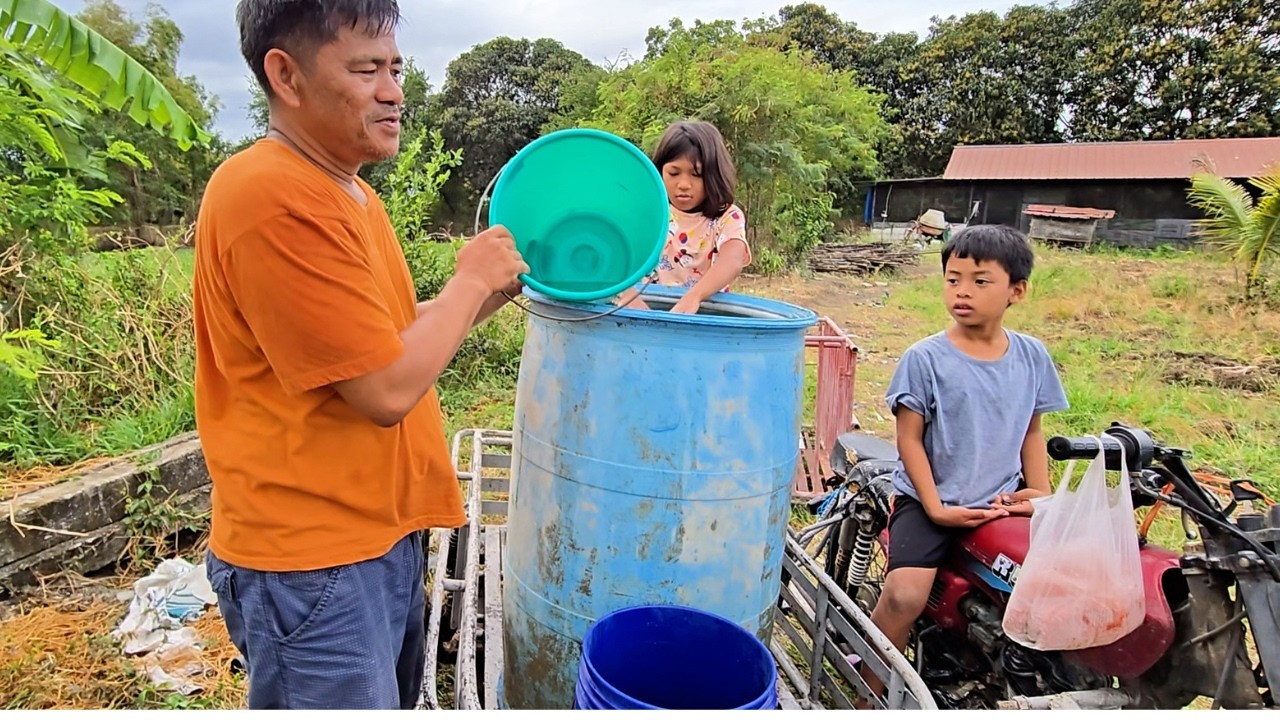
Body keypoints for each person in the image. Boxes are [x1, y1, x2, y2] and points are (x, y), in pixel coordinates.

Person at [193, 0, 527, 710]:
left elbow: (392, 339)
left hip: (376, 538)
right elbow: (382, 388)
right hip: (312, 561)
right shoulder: (269, 195)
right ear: (286, 74)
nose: (394, 91)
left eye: (397, 68)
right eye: (367, 68)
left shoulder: (352, 197)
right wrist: (469, 279)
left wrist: (491, 290)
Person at [863, 225, 1069, 697]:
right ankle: (866, 692)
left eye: (980, 281)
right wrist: (935, 508)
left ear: (1017, 290)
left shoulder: (1032, 356)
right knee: (903, 596)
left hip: (1000, 498)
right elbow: (909, 441)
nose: (962, 291)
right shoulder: (925, 358)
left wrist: (1038, 493)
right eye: (953, 279)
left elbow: (1031, 429)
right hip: (931, 500)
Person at [622, 120, 752, 314]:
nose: (683, 184)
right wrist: (626, 294)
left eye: (696, 174)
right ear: (659, 172)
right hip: (645, 312)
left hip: (703, 317)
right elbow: (615, 257)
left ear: (715, 174)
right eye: (673, 173)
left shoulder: (726, 217)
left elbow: (732, 260)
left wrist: (694, 297)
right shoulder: (649, 213)